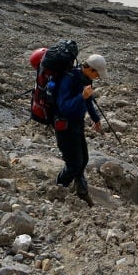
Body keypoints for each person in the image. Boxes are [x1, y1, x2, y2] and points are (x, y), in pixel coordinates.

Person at [53, 52, 104, 204]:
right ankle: (58, 188)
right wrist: (81, 96)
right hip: (64, 124)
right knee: (74, 163)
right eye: (97, 74)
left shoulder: (85, 78)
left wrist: (95, 118)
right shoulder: (68, 79)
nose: (97, 78)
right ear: (91, 69)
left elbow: (88, 100)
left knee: (84, 159)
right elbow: (64, 106)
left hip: (76, 124)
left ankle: (82, 190)